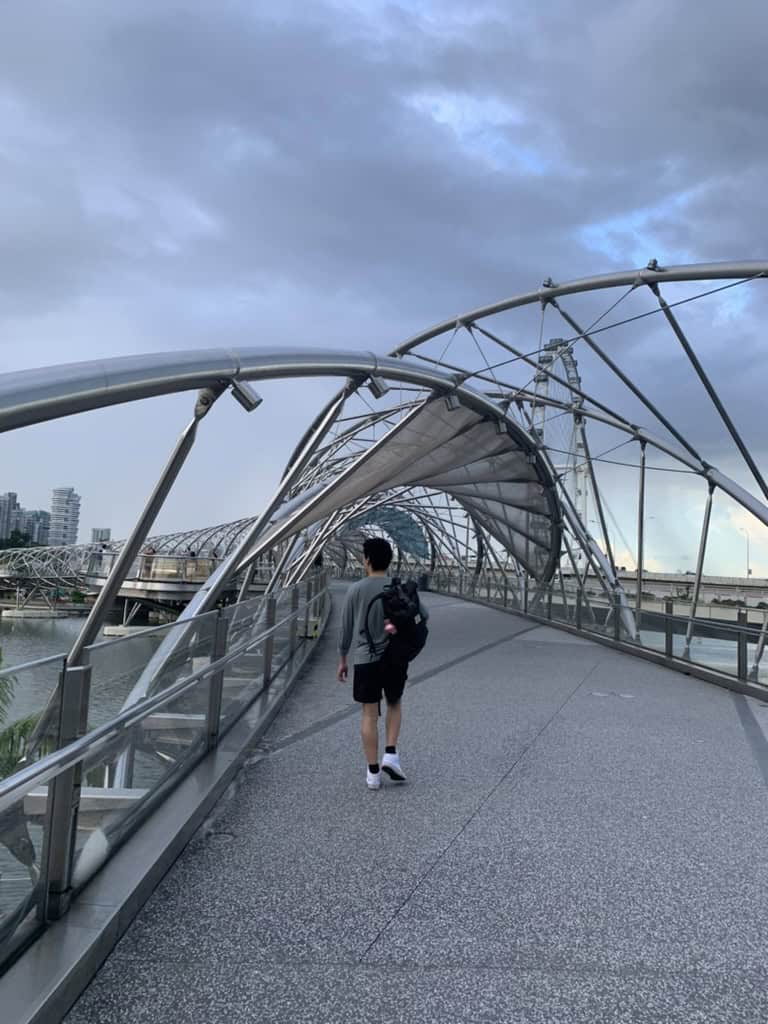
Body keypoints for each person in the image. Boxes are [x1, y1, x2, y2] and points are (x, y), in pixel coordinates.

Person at [337, 537, 428, 790]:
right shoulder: (399, 587)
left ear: (366, 559)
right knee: (394, 703)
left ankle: (373, 773)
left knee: (368, 713)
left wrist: (343, 659)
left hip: (366, 659)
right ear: (389, 560)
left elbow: (345, 630)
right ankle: (391, 754)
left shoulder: (356, 589)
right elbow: (425, 615)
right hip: (395, 657)